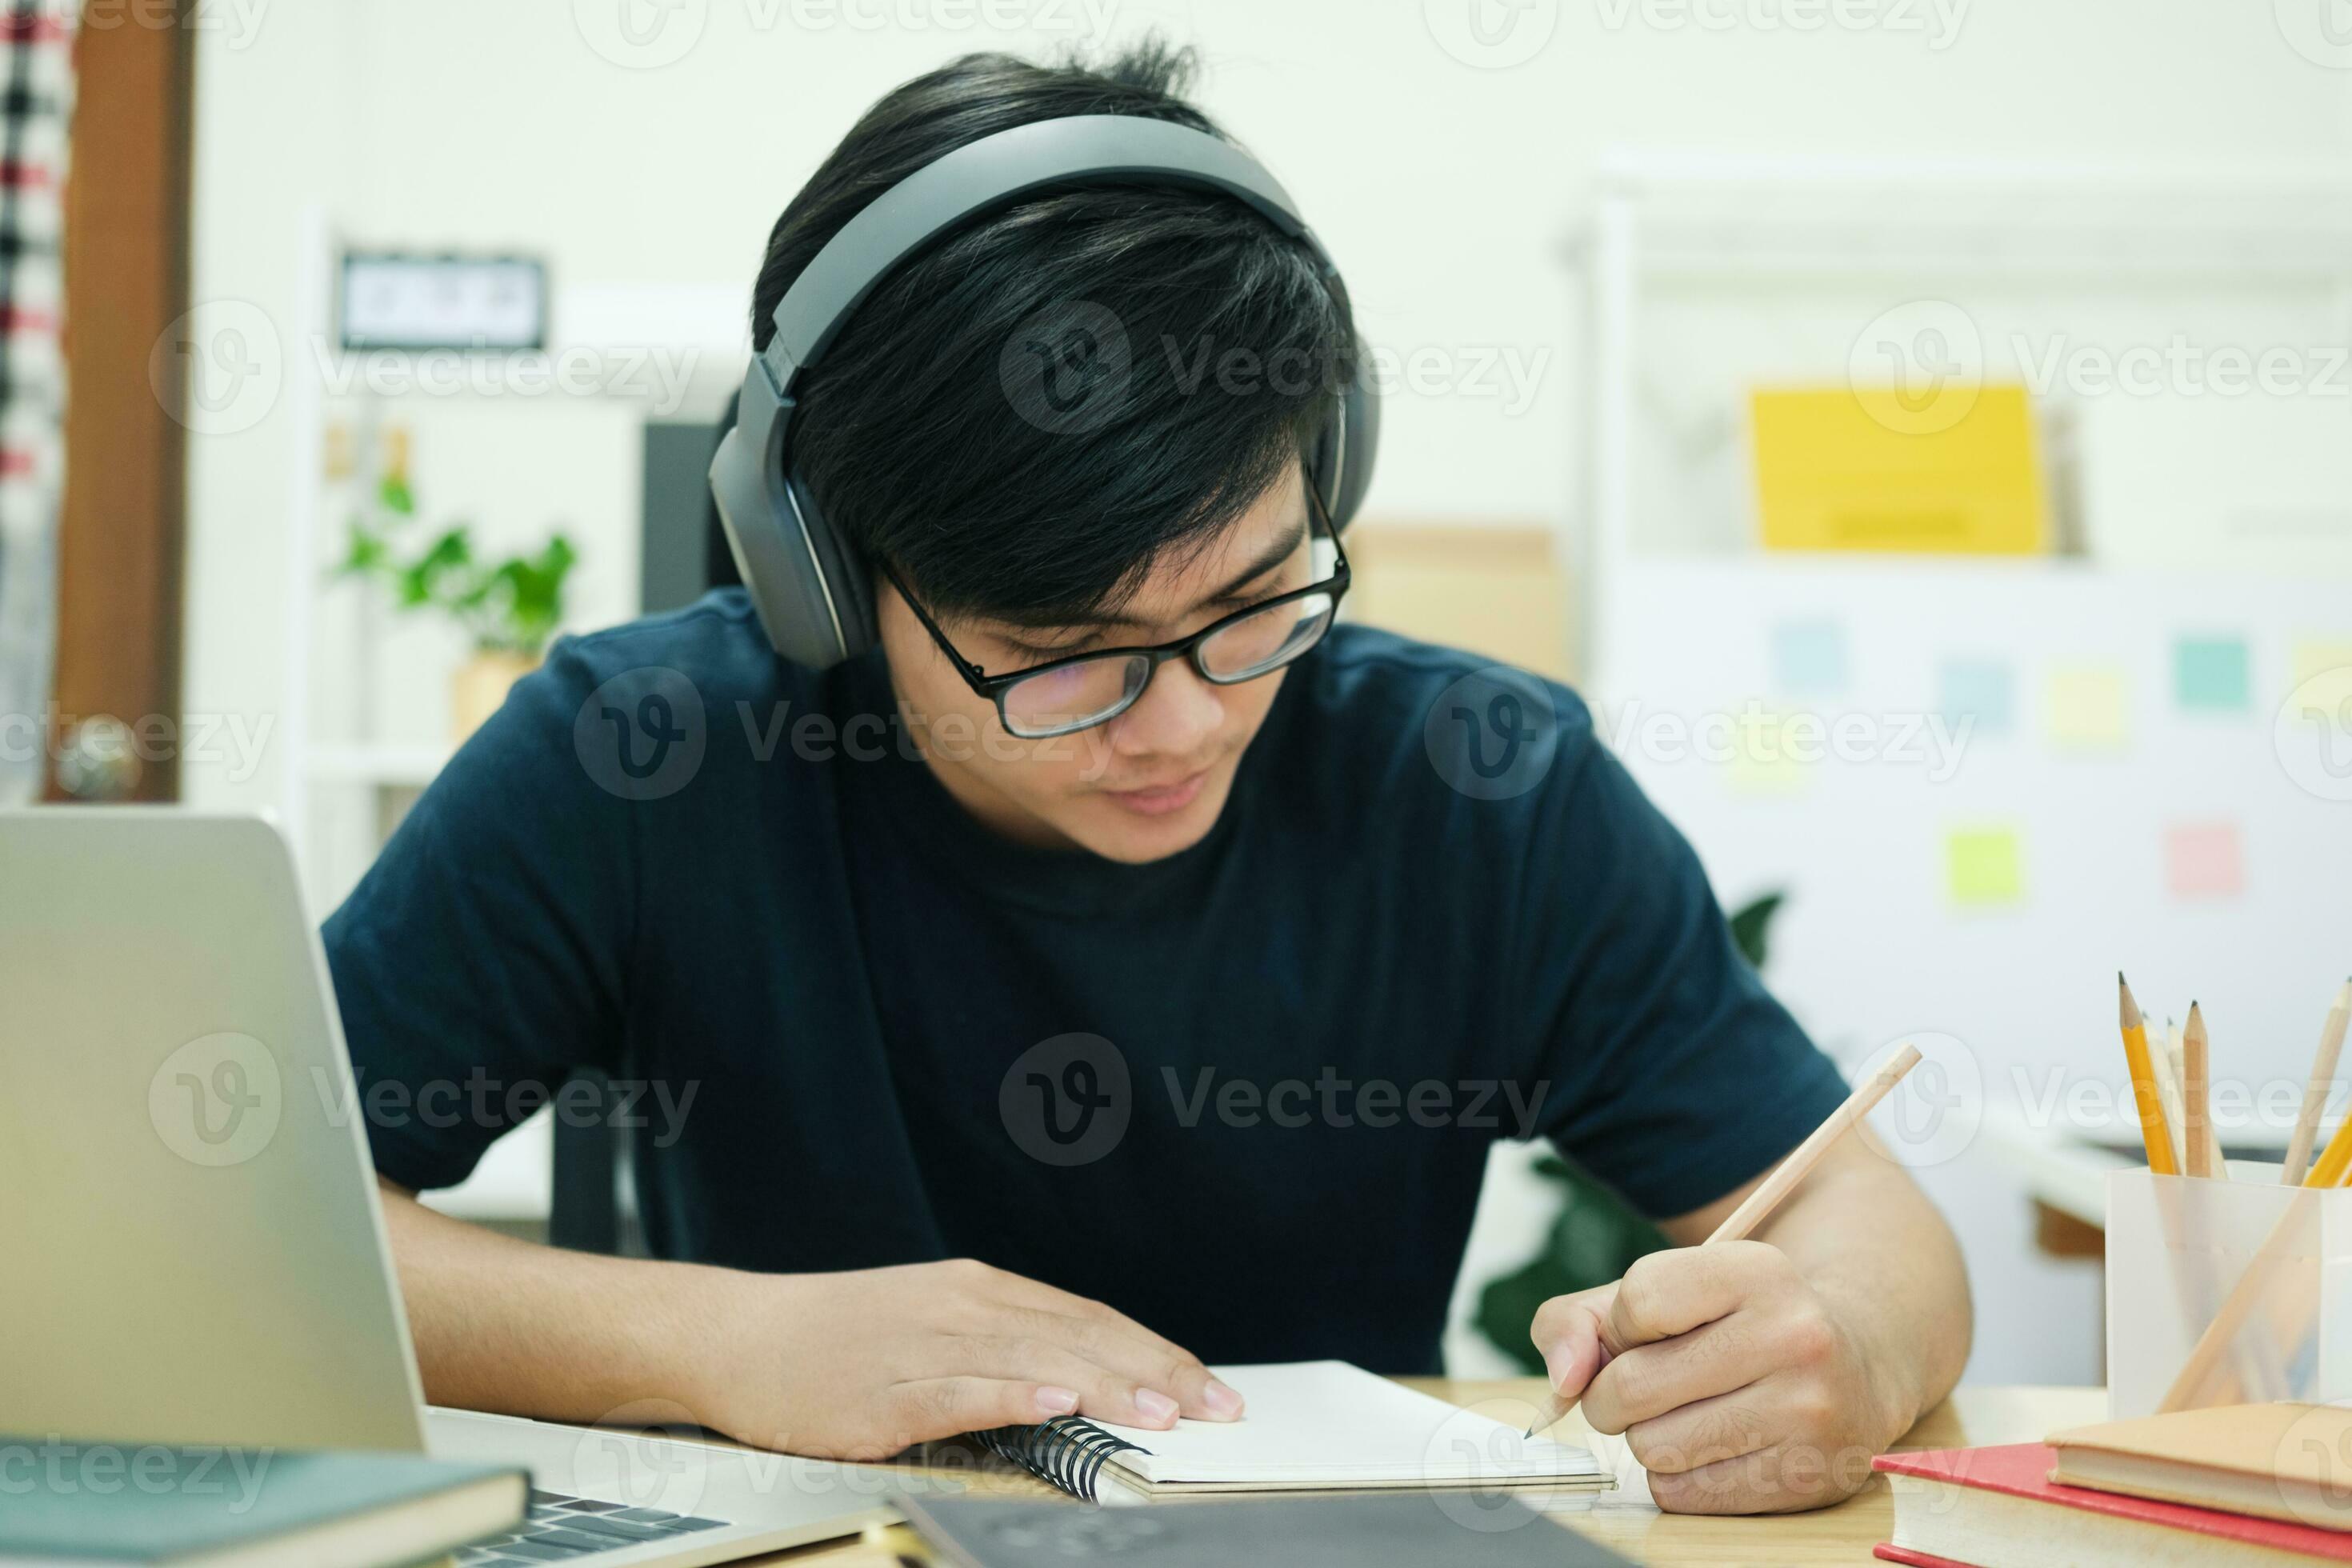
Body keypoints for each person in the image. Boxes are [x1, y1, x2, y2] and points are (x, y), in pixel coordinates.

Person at [327, 41, 1969, 1515]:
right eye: (1066, 654)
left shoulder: (1483, 785)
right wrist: (734, 1342)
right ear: (824, 577)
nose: (1180, 723)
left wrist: (1849, 1343)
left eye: (1255, 603)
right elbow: (259, 1224)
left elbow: (1867, 1228)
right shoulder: (642, 757)